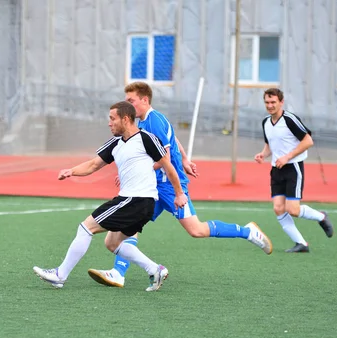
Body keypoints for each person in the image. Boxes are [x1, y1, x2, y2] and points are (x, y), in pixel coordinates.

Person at [87, 82, 272, 289]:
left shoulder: (155, 121)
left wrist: (139, 169)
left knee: (196, 230)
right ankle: (118, 273)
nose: (127, 105)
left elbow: (163, 156)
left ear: (144, 100)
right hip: (150, 188)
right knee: (130, 228)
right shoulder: (142, 123)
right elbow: (173, 139)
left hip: (167, 187)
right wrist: (184, 158)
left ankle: (247, 231)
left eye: (131, 101)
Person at [33, 101, 186, 292]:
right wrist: (71, 171)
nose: (109, 123)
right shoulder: (115, 143)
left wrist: (179, 194)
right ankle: (155, 269)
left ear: (126, 119)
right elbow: (93, 165)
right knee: (112, 243)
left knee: (86, 227)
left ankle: (60, 275)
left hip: (137, 200)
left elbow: (168, 166)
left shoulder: (147, 138)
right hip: (133, 201)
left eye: (112, 119)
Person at [254, 88, 334, 253]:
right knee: (278, 208)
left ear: (281, 102)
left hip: (293, 168)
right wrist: (263, 154)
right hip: (276, 170)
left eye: (273, 102)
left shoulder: (290, 119)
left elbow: (308, 141)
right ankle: (301, 244)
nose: (270, 106)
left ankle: (322, 217)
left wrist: (287, 157)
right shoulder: (266, 122)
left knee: (293, 210)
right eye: (267, 102)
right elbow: (270, 144)